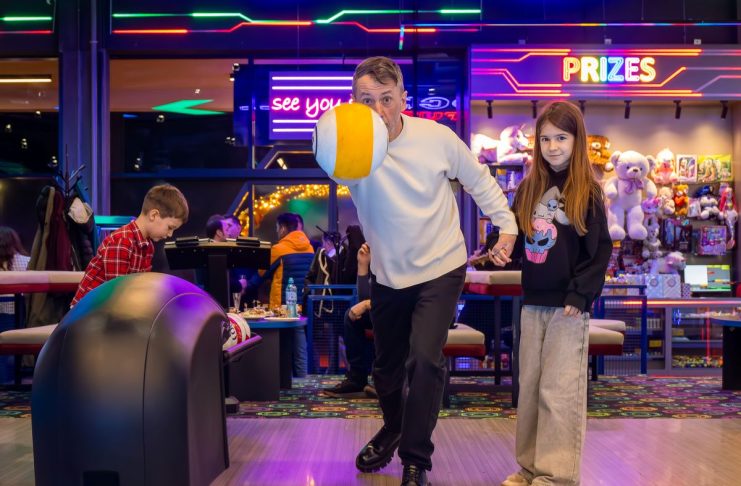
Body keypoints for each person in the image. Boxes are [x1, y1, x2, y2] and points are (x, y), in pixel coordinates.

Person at [327, 56, 517, 486]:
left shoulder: (436, 138)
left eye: (386, 99)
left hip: (440, 266)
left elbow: (479, 180)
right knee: (385, 370)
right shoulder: (352, 151)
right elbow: (332, 161)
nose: (378, 110)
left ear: (403, 98)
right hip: (389, 273)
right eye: (366, 100)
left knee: (426, 360)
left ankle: (416, 460)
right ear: (354, 103)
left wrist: (507, 227)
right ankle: (394, 427)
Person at [501, 101, 611, 486]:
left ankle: (556, 476)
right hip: (532, 304)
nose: (552, 147)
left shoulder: (588, 192)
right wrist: (501, 249)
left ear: (577, 140)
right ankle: (529, 468)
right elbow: (518, 240)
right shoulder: (528, 189)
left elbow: (600, 251)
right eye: (545, 139)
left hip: (569, 308)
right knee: (530, 389)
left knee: (558, 393)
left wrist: (580, 295)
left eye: (561, 138)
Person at [71, 184, 188, 306]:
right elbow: (116, 293)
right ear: (153, 215)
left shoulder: (148, 247)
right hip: (87, 309)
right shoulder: (122, 241)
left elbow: (141, 287)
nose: (170, 234)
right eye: (170, 227)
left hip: (112, 306)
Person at [249, 213, 314, 376]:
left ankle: (283, 381)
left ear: (283, 228)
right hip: (302, 304)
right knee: (300, 346)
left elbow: (262, 272)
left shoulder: (278, 249)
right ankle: (302, 380)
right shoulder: (310, 247)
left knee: (282, 346)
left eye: (277, 228)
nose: (277, 231)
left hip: (282, 307)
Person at [323, 242, 375, 398]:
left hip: (407, 312)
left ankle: (386, 380)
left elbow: (397, 297)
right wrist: (362, 265)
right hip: (385, 309)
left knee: (384, 318)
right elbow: (365, 299)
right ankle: (357, 378)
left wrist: (367, 304)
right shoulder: (379, 259)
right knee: (352, 317)